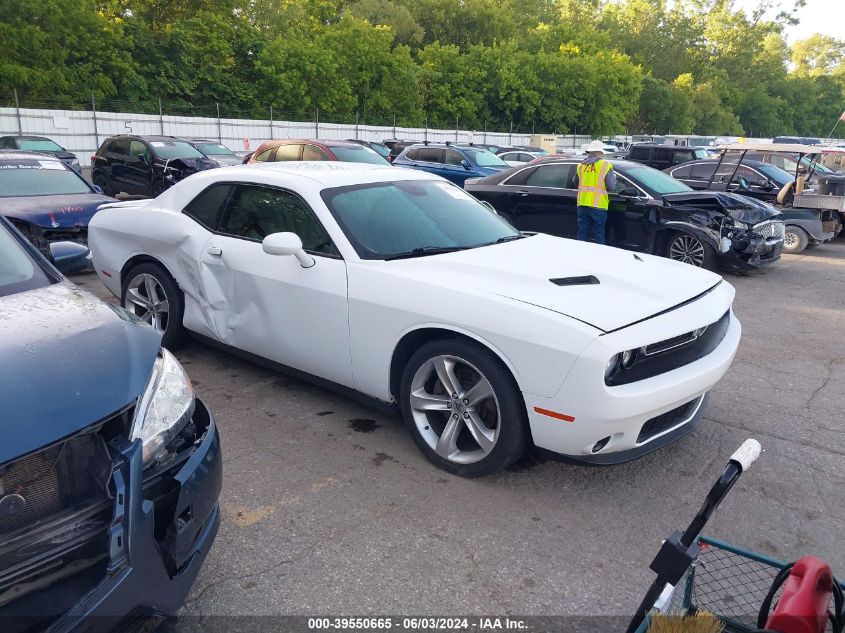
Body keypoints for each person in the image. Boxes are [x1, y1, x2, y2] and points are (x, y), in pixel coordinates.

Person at [573, 140, 616, 244]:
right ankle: (598, 257)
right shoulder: (605, 165)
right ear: (599, 152)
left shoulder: (580, 166)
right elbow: (611, 186)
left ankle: (580, 254)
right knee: (598, 234)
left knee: (582, 233)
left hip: (582, 204)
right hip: (598, 205)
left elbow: (575, 182)